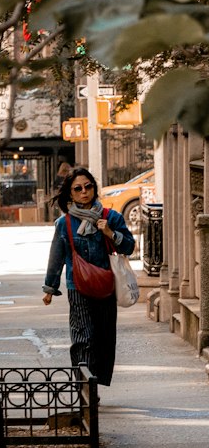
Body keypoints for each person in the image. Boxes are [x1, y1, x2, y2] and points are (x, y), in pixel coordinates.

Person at [42, 165, 135, 386]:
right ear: (70, 194)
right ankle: (86, 388)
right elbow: (56, 257)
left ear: (94, 188)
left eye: (88, 186)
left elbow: (129, 247)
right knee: (83, 337)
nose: (84, 191)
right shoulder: (64, 224)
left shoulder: (110, 217)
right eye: (77, 189)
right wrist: (49, 289)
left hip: (105, 286)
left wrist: (111, 233)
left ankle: (97, 380)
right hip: (78, 287)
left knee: (104, 339)